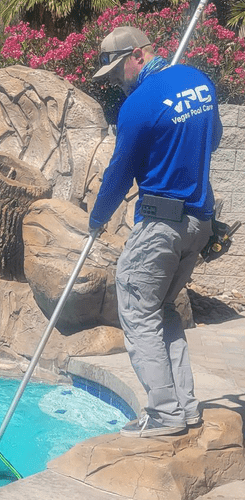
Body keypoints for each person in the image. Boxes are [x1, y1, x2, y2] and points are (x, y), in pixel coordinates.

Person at [89, 26, 223, 438]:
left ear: (137, 55)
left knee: (136, 308)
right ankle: (185, 407)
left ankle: (164, 414)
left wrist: (97, 219)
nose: (114, 80)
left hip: (160, 226)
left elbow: (118, 174)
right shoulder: (199, 81)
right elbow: (213, 140)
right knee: (162, 309)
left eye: (115, 71)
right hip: (199, 222)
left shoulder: (138, 106)